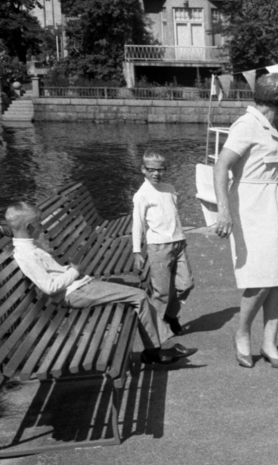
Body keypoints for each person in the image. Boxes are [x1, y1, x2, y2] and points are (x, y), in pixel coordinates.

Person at [6, 202, 195, 365]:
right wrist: (74, 271)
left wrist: (70, 271)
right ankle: (157, 351)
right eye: (39, 223)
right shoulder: (26, 254)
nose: (42, 226)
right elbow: (49, 287)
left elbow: (49, 270)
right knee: (139, 296)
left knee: (138, 296)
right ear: (29, 227)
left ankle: (157, 348)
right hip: (74, 293)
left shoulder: (28, 245)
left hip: (79, 287)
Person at [214, 73, 278, 369]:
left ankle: (269, 342)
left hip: (274, 203)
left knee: (277, 277)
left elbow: (270, 158)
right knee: (261, 278)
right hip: (251, 206)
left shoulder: (268, 126)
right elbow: (221, 166)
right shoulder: (247, 124)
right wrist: (223, 210)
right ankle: (242, 332)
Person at [132, 148, 194, 338]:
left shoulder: (169, 189)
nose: (156, 174)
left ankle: (170, 315)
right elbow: (138, 224)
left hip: (178, 243)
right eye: (151, 170)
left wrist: (180, 236)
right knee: (162, 292)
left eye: (160, 169)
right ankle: (156, 334)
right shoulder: (142, 195)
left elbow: (172, 214)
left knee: (186, 284)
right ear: (143, 169)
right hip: (158, 247)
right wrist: (137, 251)